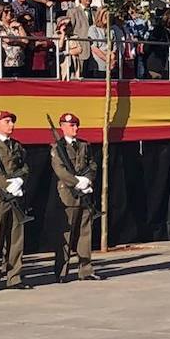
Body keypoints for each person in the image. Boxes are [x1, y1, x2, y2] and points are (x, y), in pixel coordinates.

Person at [50, 113, 100, 282]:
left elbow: (92, 164)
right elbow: (60, 170)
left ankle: (86, 270)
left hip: (84, 194)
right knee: (65, 236)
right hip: (68, 195)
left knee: (85, 233)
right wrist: (76, 182)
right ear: (62, 127)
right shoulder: (57, 148)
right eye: (71, 126)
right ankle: (61, 272)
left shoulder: (84, 145)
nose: (75, 128)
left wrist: (88, 180)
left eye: (76, 125)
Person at [0, 110, 31, 290]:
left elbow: (24, 166)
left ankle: (14, 277)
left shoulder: (17, 145)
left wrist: (20, 180)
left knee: (16, 238)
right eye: (7, 121)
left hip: (15, 197)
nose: (11, 125)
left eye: (12, 122)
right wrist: (6, 184)